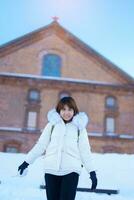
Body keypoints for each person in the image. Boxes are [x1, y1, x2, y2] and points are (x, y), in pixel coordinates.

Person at [18, 96, 97, 200]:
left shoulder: (79, 128)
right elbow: (41, 145)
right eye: (63, 109)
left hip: (71, 171)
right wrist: (26, 162)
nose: (66, 112)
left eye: (70, 109)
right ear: (59, 110)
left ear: (74, 111)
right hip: (51, 170)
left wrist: (92, 172)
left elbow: (85, 151)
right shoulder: (52, 125)